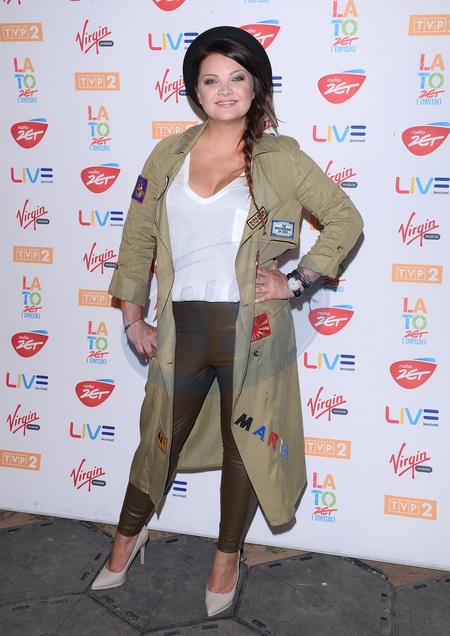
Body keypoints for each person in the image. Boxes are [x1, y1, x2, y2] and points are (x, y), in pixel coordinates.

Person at [91, 26, 363, 616]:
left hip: (253, 332)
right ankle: (127, 538)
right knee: (158, 437)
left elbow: (345, 219)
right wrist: (132, 318)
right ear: (194, 89)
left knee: (247, 442)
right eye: (211, 79)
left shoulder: (281, 158)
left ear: (256, 84)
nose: (225, 89)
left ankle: (227, 556)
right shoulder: (167, 155)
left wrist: (296, 282)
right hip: (180, 329)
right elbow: (137, 239)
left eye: (238, 77)